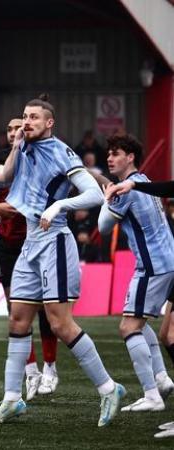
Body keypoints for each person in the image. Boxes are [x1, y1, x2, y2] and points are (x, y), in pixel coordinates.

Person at [0, 94, 124, 427]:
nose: (26, 121)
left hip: (55, 241)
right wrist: (17, 145)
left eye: (33, 117)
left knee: (60, 323)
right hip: (29, 243)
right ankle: (12, 399)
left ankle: (109, 388)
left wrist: (59, 206)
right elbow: (3, 177)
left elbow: (92, 193)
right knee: (17, 320)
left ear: (49, 123)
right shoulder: (24, 147)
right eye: (24, 116)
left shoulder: (62, 152)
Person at [98, 134, 174, 412]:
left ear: (130, 157)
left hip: (153, 265)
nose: (109, 157)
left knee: (128, 327)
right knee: (141, 324)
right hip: (167, 261)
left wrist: (106, 196)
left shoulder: (125, 189)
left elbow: (104, 226)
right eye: (109, 153)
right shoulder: (144, 182)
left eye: (116, 153)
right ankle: (162, 379)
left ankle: (151, 395)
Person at [0, 118, 59, 401]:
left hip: (38, 241)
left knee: (45, 309)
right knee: (15, 310)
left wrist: (6, 207)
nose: (13, 133)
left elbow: (29, 206)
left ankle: (51, 368)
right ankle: (31, 372)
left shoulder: (40, 158)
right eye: (7, 129)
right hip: (7, 245)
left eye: (17, 127)